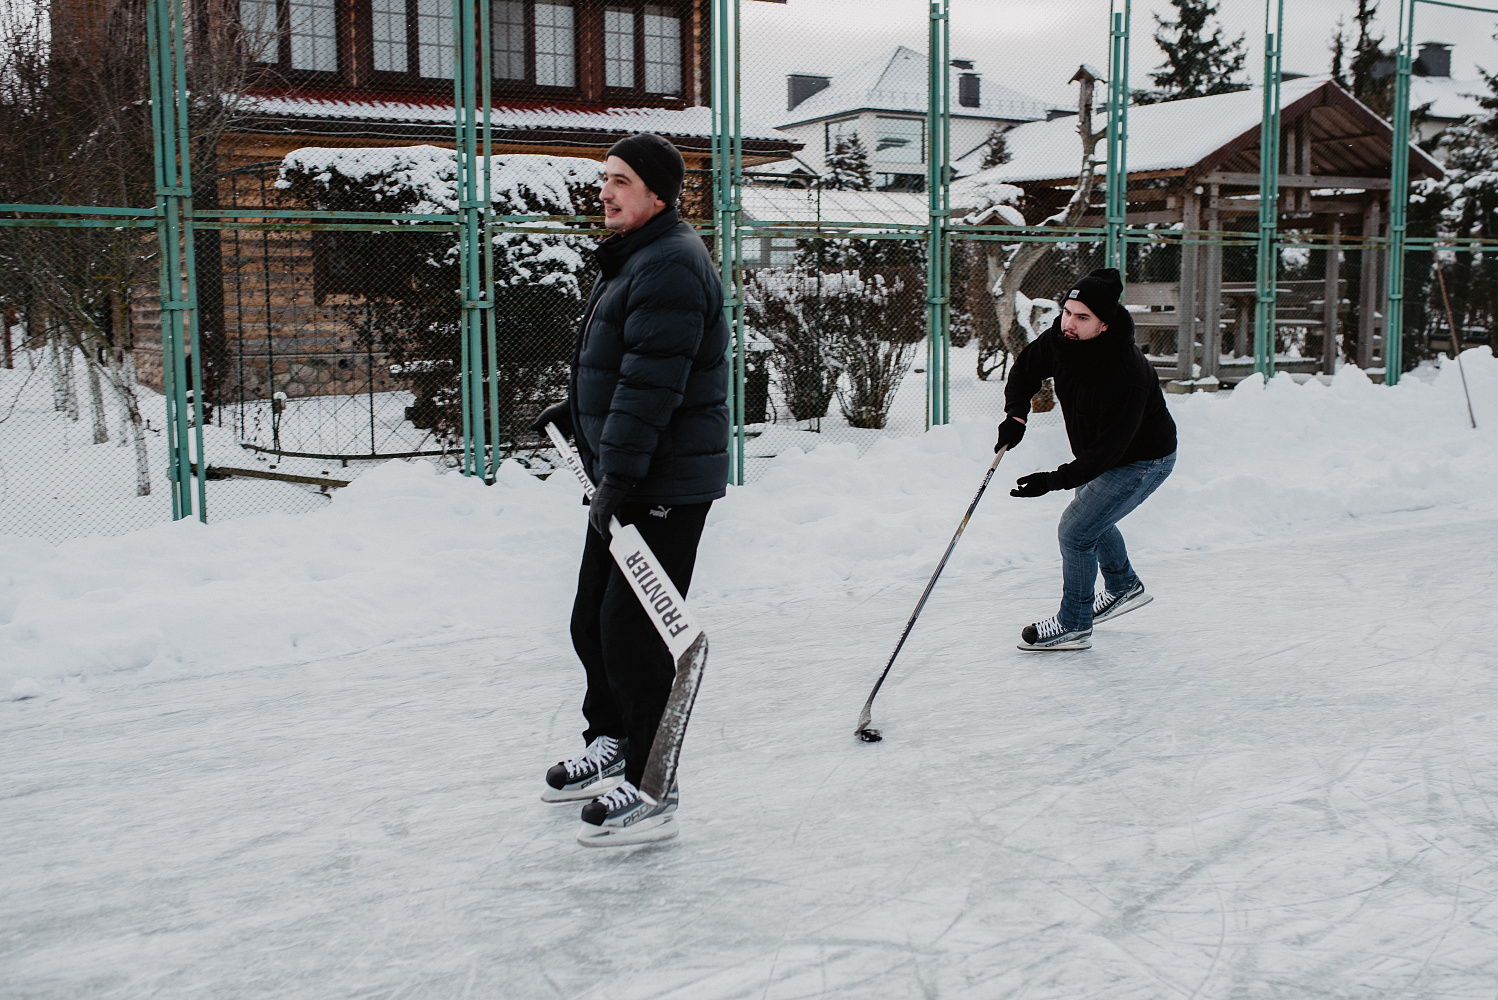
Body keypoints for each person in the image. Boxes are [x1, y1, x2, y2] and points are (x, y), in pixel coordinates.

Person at [529, 133, 729, 844]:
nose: (606, 191)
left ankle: (651, 782)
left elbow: (653, 386)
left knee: (634, 633)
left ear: (658, 193)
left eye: (621, 180)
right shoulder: (638, 255)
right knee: (592, 618)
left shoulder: (671, 264)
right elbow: (623, 365)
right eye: (604, 178)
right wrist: (578, 413)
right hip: (631, 472)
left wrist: (618, 471)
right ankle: (609, 739)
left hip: (663, 479)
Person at [996, 267, 1177, 651]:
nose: (1070, 323)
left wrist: (1050, 480)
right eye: (1067, 312)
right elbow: (1026, 370)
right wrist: (1016, 414)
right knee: (1090, 517)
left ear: (1105, 325)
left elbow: (1106, 455)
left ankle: (1074, 624)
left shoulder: (1128, 374)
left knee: (1076, 531)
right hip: (1102, 453)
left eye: (1083, 317)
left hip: (1143, 460)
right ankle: (1124, 586)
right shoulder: (1062, 341)